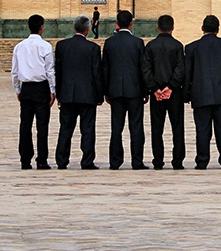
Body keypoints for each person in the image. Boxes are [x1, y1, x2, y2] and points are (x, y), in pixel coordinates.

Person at [185, 15, 221, 169]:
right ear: (218, 29)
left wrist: (187, 94)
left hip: (200, 95)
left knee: (202, 130)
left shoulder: (192, 48)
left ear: (202, 28)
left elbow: (188, 74)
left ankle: (202, 160)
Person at [54, 14, 103, 170]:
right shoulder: (93, 48)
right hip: (88, 95)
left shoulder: (62, 46)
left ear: (74, 27)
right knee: (87, 129)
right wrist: (99, 95)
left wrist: (58, 94)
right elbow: (96, 73)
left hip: (67, 94)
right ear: (88, 29)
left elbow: (58, 72)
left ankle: (61, 160)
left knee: (65, 128)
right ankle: (87, 160)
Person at [101, 10, 148, 169]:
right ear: (131, 24)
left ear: (117, 24)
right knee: (136, 126)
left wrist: (106, 91)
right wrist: (145, 91)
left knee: (116, 127)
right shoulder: (138, 42)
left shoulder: (109, 43)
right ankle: (137, 161)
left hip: (115, 91)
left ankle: (115, 161)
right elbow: (143, 69)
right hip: (134, 91)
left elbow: (105, 69)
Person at [141, 14, 186, 170]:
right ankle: (177, 161)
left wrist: (155, 89)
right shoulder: (178, 46)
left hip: (157, 95)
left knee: (157, 128)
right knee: (177, 127)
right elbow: (181, 69)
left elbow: (146, 69)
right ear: (172, 28)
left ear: (158, 27)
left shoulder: (150, 46)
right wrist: (171, 87)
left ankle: (158, 161)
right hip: (174, 94)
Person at [11, 14, 56, 170]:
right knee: (42, 126)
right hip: (41, 88)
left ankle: (25, 159)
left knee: (25, 125)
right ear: (42, 27)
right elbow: (50, 71)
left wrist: (18, 89)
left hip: (27, 89)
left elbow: (15, 72)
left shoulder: (19, 46)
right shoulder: (45, 46)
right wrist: (52, 90)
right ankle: (42, 160)